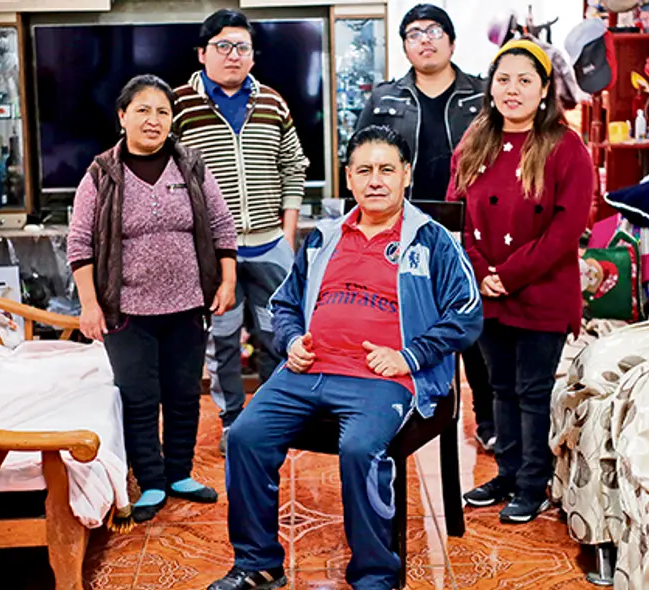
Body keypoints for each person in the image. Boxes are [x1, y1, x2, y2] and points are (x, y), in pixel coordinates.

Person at [207, 125, 482, 590]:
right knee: (245, 436)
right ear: (349, 178)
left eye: (386, 169)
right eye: (364, 170)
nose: (375, 180)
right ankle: (259, 563)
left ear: (406, 174)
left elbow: (467, 312)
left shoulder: (433, 241)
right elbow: (284, 303)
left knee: (360, 449)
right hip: (308, 370)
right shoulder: (324, 237)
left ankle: (375, 576)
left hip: (382, 378)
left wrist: (410, 356)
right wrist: (291, 341)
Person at [68, 74, 238, 523]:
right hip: (126, 311)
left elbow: (222, 226)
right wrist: (89, 304)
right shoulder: (101, 174)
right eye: (142, 110)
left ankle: (179, 473)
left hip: (188, 306)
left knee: (184, 395)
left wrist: (227, 281)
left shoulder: (191, 166)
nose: (153, 120)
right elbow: (80, 243)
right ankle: (151, 480)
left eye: (163, 111)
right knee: (139, 398)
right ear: (122, 116)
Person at [450, 39, 593, 523]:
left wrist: (507, 276)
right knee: (500, 388)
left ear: (544, 89)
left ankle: (534, 484)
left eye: (525, 80)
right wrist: (478, 271)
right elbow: (456, 217)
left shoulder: (566, 147)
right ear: (491, 87)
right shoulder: (475, 141)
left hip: (541, 291)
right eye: (504, 79)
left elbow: (565, 229)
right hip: (485, 291)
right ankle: (507, 474)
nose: (512, 90)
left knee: (533, 392)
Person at [355, 3, 496, 451]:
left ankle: (488, 419)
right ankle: (403, 410)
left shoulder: (483, 95)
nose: (425, 40)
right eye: (414, 33)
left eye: (434, 31)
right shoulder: (385, 99)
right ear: (404, 47)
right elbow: (361, 158)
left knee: (472, 325)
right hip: (406, 228)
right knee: (405, 320)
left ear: (451, 41)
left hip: (471, 227)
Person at [171, 9, 309, 455]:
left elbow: (293, 167)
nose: (234, 55)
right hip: (215, 254)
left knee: (278, 336)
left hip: (271, 245)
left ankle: (271, 418)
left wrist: (288, 234)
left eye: (242, 47)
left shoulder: (273, 102)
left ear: (252, 55)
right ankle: (233, 422)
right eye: (223, 46)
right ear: (202, 53)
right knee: (223, 342)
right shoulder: (177, 105)